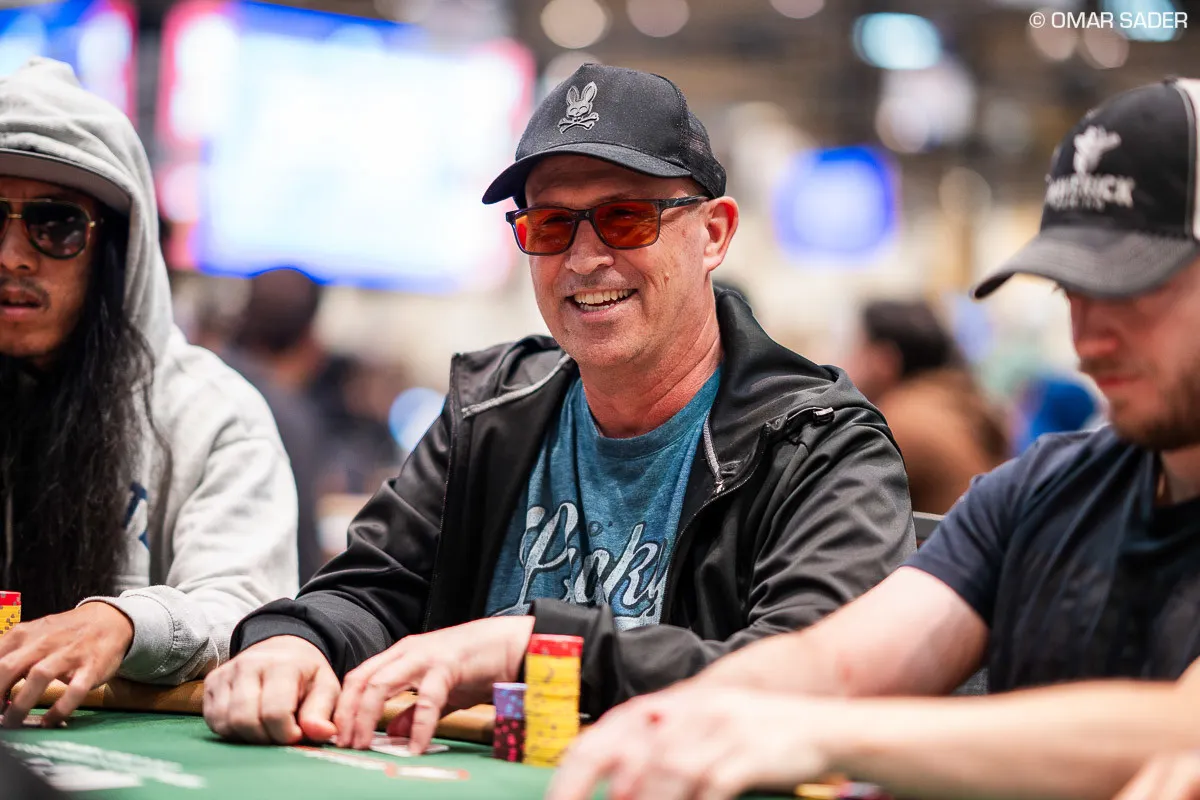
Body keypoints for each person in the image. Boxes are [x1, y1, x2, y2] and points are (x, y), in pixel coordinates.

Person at [202, 63, 914, 752]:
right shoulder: (490, 407)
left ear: (715, 234)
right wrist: (297, 641)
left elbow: (818, 673)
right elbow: (371, 590)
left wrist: (539, 648)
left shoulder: (820, 443)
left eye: (625, 219)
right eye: (550, 226)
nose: (582, 258)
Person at [548, 77, 1200, 800]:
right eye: (1071, 290)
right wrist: (674, 715)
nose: (1088, 338)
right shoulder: (1037, 495)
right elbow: (832, 666)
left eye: (1134, 288)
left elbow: (1185, 725)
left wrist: (820, 734)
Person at [0, 58, 298, 727]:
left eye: (55, 225)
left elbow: (248, 611)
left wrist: (122, 624)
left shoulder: (212, 414)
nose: (12, 255)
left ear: (118, 250)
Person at [844, 299, 1009, 513]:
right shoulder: (949, 399)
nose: (846, 360)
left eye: (858, 347)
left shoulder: (902, 420)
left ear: (883, 361)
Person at [224, 267, 328, 582]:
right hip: (254, 600)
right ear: (309, 338)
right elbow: (303, 551)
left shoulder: (197, 382)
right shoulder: (289, 417)